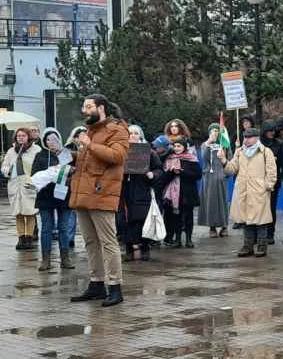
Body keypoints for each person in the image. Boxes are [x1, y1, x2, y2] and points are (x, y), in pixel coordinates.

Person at [68, 94, 129, 307]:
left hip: (102, 193)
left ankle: (115, 287)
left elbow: (117, 157)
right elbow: (91, 162)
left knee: (108, 243)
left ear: (101, 108)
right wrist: (71, 157)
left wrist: (89, 145)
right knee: (90, 242)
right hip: (83, 194)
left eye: (88, 106)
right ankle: (96, 284)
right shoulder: (90, 132)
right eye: (84, 106)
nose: (84, 111)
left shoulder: (117, 129)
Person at [220, 127, 278, 257]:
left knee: (261, 220)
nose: (246, 140)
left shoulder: (265, 152)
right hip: (243, 190)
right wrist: (223, 160)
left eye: (249, 137)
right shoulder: (239, 151)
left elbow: (271, 171)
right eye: (245, 137)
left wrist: (267, 186)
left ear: (257, 137)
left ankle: (262, 245)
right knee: (245, 219)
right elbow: (232, 169)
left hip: (259, 190)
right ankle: (248, 245)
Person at [30, 127, 74, 270]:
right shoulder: (40, 155)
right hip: (45, 196)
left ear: (59, 139)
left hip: (63, 195)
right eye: (48, 139)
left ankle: (65, 258)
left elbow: (76, 171)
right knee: (46, 228)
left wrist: (70, 173)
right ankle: (46, 259)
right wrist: (49, 174)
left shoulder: (67, 155)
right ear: (44, 141)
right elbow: (34, 175)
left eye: (55, 138)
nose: (52, 142)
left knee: (63, 227)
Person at [120, 125, 162, 262]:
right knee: (126, 221)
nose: (132, 135)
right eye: (130, 133)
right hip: (125, 191)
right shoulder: (121, 150)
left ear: (140, 135)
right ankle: (129, 250)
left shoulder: (149, 152)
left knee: (143, 220)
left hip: (143, 190)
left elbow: (159, 170)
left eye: (136, 133)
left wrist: (152, 175)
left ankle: (145, 247)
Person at [2, 127, 41, 250]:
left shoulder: (36, 150)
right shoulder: (11, 151)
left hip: (29, 185)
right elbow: (4, 166)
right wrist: (8, 170)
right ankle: (21, 238)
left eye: (23, 135)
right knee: (18, 213)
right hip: (15, 185)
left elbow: (39, 167)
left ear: (28, 137)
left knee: (29, 213)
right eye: (18, 136)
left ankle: (29, 238)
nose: (20, 138)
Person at [160, 139, 201, 248]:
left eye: (179, 146)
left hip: (187, 193)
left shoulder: (191, 158)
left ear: (184, 147)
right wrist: (171, 172)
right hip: (173, 194)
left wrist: (182, 172)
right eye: (175, 146)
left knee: (188, 217)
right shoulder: (169, 159)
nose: (177, 148)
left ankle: (188, 239)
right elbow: (164, 177)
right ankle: (177, 239)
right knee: (175, 217)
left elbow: (198, 175)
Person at [198, 123, 231, 239]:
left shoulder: (224, 144)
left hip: (221, 177)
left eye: (217, 130)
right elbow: (205, 158)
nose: (215, 132)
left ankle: (224, 226)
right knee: (210, 202)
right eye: (213, 131)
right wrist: (209, 143)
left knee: (223, 202)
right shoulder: (205, 145)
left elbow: (230, 161)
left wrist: (225, 173)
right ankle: (212, 227)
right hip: (209, 178)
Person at [260, 120, 282, 244]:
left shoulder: (278, 145)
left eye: (273, 131)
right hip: (259, 180)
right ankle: (260, 233)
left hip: (273, 180)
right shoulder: (258, 145)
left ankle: (270, 233)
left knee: (271, 207)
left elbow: (281, 161)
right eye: (269, 131)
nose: (272, 133)